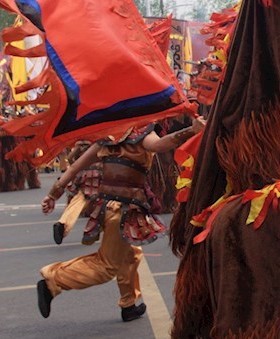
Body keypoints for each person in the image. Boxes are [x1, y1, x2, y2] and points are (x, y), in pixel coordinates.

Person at [37, 117, 205, 321]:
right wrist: (190, 130)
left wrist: (53, 194)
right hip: (123, 211)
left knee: (131, 255)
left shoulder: (106, 136)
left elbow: (74, 168)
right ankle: (54, 280)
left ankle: (129, 304)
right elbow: (161, 145)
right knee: (106, 267)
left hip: (110, 207)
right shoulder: (140, 131)